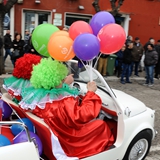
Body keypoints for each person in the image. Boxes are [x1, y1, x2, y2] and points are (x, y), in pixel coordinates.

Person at [19, 58, 115, 159]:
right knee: (101, 124)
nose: (64, 80)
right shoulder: (63, 102)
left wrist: (65, 84)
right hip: (69, 138)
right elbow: (83, 115)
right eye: (62, 79)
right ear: (55, 81)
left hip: (59, 133)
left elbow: (57, 90)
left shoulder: (39, 101)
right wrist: (90, 93)